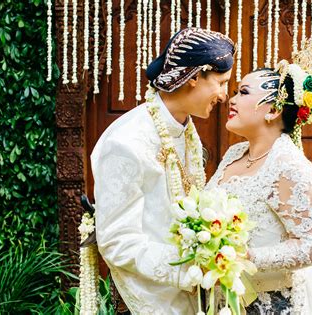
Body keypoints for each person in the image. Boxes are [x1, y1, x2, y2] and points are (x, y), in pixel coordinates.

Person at [90, 28, 235, 315]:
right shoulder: (127, 142)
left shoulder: (184, 128)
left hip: (193, 297)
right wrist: (190, 270)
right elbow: (117, 241)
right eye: (221, 82)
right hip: (148, 300)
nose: (224, 94)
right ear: (194, 77)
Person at [206, 34, 312, 314]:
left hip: (276, 304)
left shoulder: (290, 166)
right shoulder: (234, 153)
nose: (231, 100)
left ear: (275, 109)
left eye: (243, 92)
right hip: (227, 300)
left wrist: (246, 257)